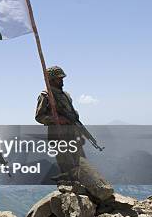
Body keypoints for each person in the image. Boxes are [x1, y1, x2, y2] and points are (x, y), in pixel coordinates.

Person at [35, 66, 113, 203]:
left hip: (73, 133)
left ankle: (87, 194)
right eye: (58, 79)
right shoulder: (46, 96)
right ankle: (71, 197)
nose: (61, 81)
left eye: (61, 78)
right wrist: (57, 119)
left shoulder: (66, 95)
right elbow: (39, 116)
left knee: (80, 163)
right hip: (58, 135)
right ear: (51, 80)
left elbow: (73, 114)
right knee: (66, 166)